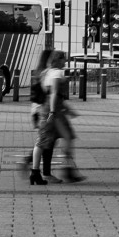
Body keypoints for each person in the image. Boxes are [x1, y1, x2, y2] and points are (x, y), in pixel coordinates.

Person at [29, 50, 82, 186]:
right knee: (47, 140)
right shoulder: (57, 73)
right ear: (58, 60)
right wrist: (53, 112)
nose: (65, 62)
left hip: (47, 109)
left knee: (47, 139)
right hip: (54, 112)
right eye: (64, 59)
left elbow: (48, 93)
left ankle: (38, 172)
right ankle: (39, 172)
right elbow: (54, 93)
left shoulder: (45, 72)